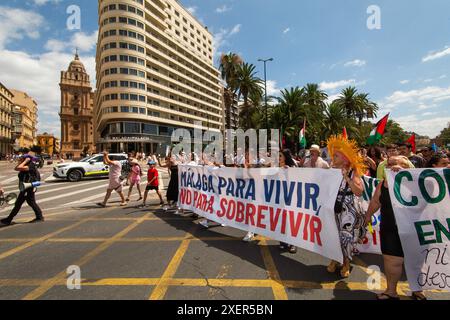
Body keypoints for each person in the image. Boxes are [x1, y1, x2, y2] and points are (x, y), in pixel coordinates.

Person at [365, 156, 426, 300]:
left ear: (409, 167)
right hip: (390, 229)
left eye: (398, 164)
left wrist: (405, 175)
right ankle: (391, 291)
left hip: (414, 229)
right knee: (392, 261)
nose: (392, 166)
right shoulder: (382, 184)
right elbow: (375, 201)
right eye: (389, 164)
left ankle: (418, 289)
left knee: (417, 261)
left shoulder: (418, 182)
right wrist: (368, 215)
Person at [326, 135, 367, 278]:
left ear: (344, 158)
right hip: (334, 206)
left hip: (349, 208)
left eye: (336, 156)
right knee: (333, 234)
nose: (333, 158)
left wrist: (347, 178)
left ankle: (346, 263)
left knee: (346, 236)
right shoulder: (331, 171)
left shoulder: (352, 171)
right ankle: (335, 259)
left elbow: (359, 191)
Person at [1, 151, 44, 225]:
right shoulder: (28, 164)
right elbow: (17, 167)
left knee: (29, 203)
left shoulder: (30, 166)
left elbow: (17, 168)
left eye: (23, 157)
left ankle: (40, 217)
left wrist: (25, 161)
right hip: (25, 188)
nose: (21, 158)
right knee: (23, 203)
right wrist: (23, 161)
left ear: (28, 159)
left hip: (29, 188)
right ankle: (9, 219)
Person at [277, 149, 298, 253]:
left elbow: (298, 180)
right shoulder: (276, 167)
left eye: (280, 156)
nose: (279, 158)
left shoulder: (292, 167)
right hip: (279, 198)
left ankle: (294, 243)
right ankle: (283, 241)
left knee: (291, 220)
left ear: (285, 157)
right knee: (282, 220)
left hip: (291, 198)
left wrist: (289, 171)